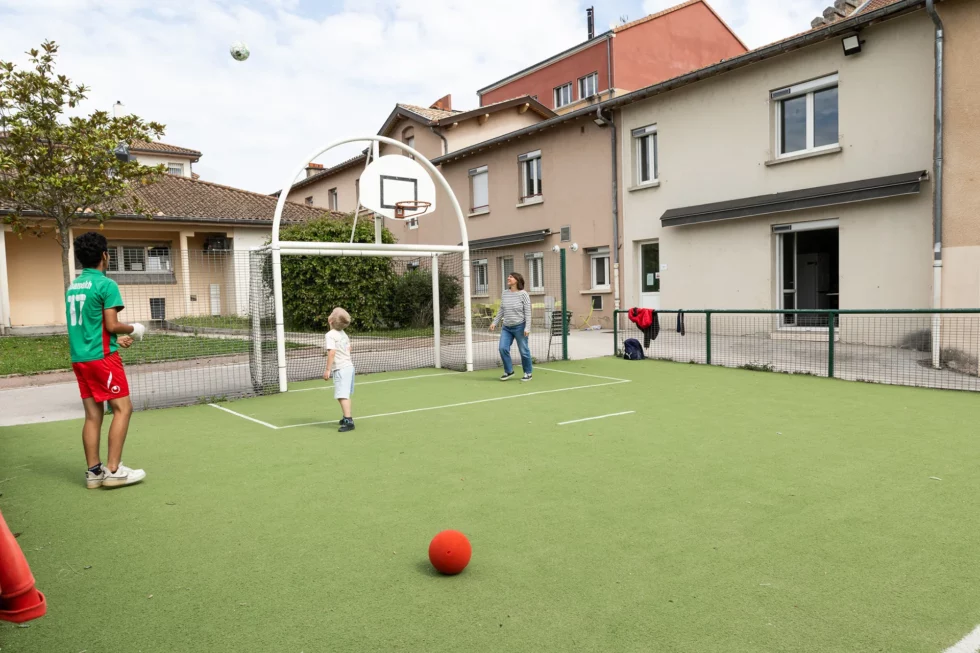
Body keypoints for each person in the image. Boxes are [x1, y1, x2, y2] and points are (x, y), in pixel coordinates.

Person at [66, 232, 147, 489]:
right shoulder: (106, 284)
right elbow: (112, 325)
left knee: (93, 415)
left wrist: (114, 341)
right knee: (123, 409)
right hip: (103, 360)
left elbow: (90, 326)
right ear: (104, 255)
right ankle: (113, 470)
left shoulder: (73, 286)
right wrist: (135, 329)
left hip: (81, 359)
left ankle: (94, 473)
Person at [490, 272, 533, 382]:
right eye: (508, 276)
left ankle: (528, 373)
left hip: (520, 327)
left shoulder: (523, 294)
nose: (508, 278)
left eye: (511, 277)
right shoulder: (505, 293)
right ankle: (509, 371)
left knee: (523, 351)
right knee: (502, 348)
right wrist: (494, 322)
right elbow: (502, 309)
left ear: (517, 280)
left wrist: (527, 328)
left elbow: (528, 312)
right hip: (506, 327)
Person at [323, 307, 355, 432]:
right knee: (344, 394)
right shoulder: (343, 333)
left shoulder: (330, 335)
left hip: (342, 369)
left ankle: (348, 421)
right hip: (349, 367)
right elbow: (349, 348)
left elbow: (332, 352)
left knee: (342, 396)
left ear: (330, 320)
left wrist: (328, 369)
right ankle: (346, 416)